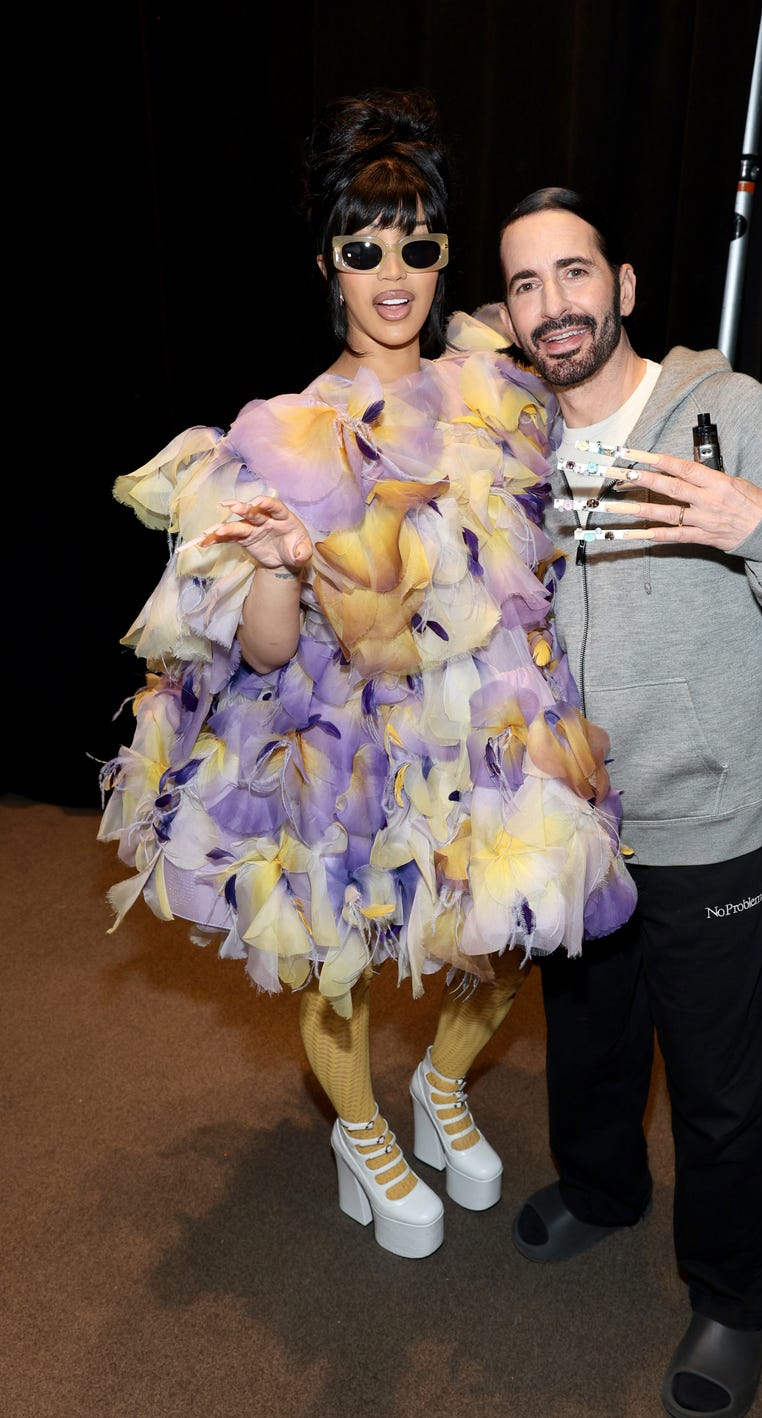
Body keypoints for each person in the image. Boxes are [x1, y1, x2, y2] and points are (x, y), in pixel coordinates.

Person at [99, 106, 635, 1262]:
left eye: (418, 244)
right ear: (327, 264)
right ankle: (358, 1127)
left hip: (481, 715)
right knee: (331, 944)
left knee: (517, 925)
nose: (392, 275)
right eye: (363, 248)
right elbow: (273, 648)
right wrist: (287, 563)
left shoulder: (491, 381)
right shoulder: (286, 429)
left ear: (445, 259)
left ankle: (442, 1088)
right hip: (342, 731)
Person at [492, 186, 762, 1418]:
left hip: (709, 826)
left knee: (716, 1089)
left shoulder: (731, 413)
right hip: (575, 827)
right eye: (527, 285)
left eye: (574, 274)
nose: (555, 305)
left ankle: (730, 1296)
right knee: (590, 1051)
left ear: (626, 286)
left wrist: (756, 527)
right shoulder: (514, 440)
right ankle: (600, 1192)